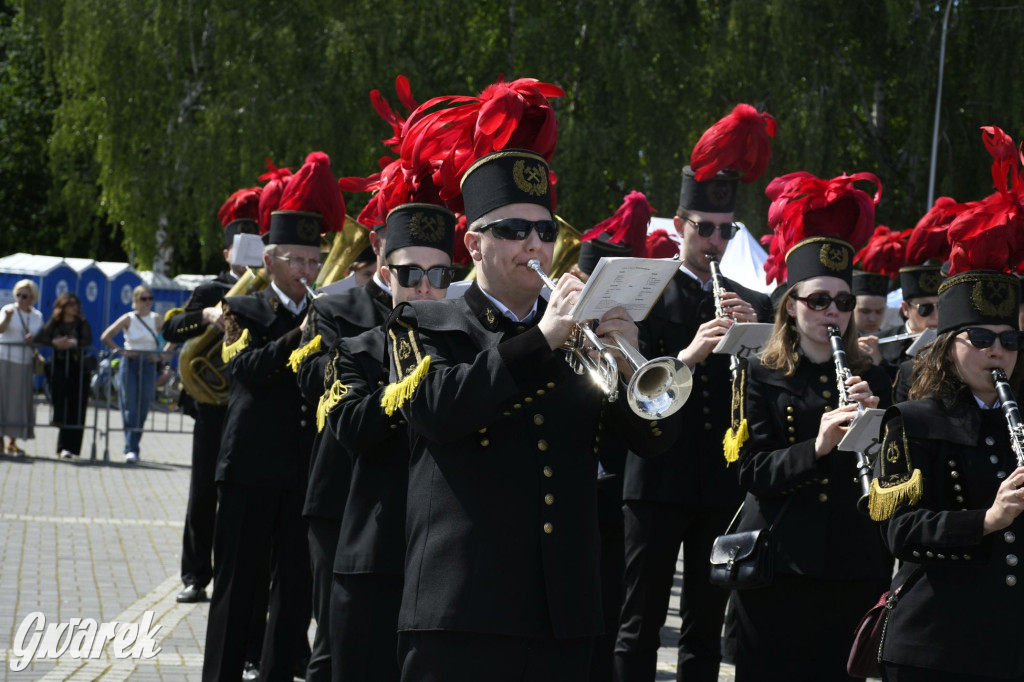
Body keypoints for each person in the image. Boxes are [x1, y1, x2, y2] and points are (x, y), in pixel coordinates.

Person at [383, 149, 682, 682]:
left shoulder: (578, 336)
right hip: (462, 606)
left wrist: (625, 352)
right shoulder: (424, 321)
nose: (535, 244)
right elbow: (436, 410)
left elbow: (649, 441)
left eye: (545, 230)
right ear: (473, 244)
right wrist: (544, 339)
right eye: (514, 229)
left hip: (560, 609)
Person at [615, 106, 775, 682]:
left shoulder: (745, 297)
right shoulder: (645, 290)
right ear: (678, 226)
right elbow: (629, 384)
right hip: (656, 478)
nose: (714, 240)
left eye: (724, 230)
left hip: (716, 481)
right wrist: (688, 355)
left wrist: (752, 336)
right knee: (641, 618)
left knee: (707, 625)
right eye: (702, 228)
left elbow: (763, 387)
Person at [202, 151, 342, 682]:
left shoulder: (328, 312)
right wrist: (297, 335)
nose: (307, 271)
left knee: (295, 593)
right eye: (297, 261)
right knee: (239, 587)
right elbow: (247, 372)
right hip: (249, 468)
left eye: (314, 262)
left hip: (304, 470)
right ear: (270, 261)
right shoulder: (247, 310)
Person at [733, 233, 894, 681]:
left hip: (853, 563)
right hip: (778, 564)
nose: (833, 313)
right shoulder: (760, 373)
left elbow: (897, 475)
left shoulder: (874, 375)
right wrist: (817, 447)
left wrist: (880, 426)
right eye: (819, 300)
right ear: (790, 305)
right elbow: (750, 470)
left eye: (843, 302)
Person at [869, 270, 1024, 682]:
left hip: (1011, 647)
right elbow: (899, 531)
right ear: (948, 345)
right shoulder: (912, 421)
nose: (997, 351)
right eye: (981, 339)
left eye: (1010, 340)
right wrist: (987, 520)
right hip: (935, 645)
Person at [324, 202, 456, 682]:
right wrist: (411, 381)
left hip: (449, 567)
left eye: (439, 274)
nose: (425, 286)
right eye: (411, 272)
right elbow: (353, 428)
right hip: (376, 559)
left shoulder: (471, 350)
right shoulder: (356, 350)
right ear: (385, 273)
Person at [293, 220, 392, 682]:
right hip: (339, 491)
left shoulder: (447, 310)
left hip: (401, 499)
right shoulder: (334, 306)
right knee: (334, 641)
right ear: (377, 245)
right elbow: (312, 378)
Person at [163, 186, 261, 605]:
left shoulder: (268, 291)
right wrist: (205, 315)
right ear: (227, 255)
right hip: (212, 407)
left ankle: (241, 576)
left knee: (249, 498)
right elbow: (170, 326)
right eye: (238, 249)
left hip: (253, 405)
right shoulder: (211, 289)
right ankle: (195, 575)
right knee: (203, 493)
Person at [101, 284, 162, 463]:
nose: (147, 302)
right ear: (135, 301)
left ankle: (133, 445)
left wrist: (161, 355)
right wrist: (122, 352)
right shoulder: (128, 318)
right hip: (130, 362)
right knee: (130, 407)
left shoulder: (156, 318)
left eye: (150, 298)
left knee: (143, 407)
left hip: (148, 363)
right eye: (143, 299)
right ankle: (131, 448)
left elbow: (172, 336)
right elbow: (106, 336)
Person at [34, 293, 93, 458]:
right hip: (59, 368)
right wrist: (54, 342)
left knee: (76, 407)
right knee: (61, 404)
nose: (75, 307)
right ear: (63, 306)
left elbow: (87, 341)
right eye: (71, 304)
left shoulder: (82, 324)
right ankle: (62, 445)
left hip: (77, 369)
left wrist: (74, 343)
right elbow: (40, 337)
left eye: (76, 304)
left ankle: (72, 447)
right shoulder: (55, 323)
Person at [0, 280, 44, 456]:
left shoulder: (37, 316)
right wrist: (8, 318)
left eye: (24, 296)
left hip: (24, 362)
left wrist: (33, 339)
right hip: (4, 358)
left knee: (18, 402)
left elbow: (41, 337)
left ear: (32, 297)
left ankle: (13, 441)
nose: (20, 299)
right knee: (2, 400)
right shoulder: (7, 310)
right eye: (18, 295)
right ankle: (0, 441)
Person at [877, 265, 942, 370]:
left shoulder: (956, 342)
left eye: (941, 306)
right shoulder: (880, 345)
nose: (936, 316)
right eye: (925, 308)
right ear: (905, 309)